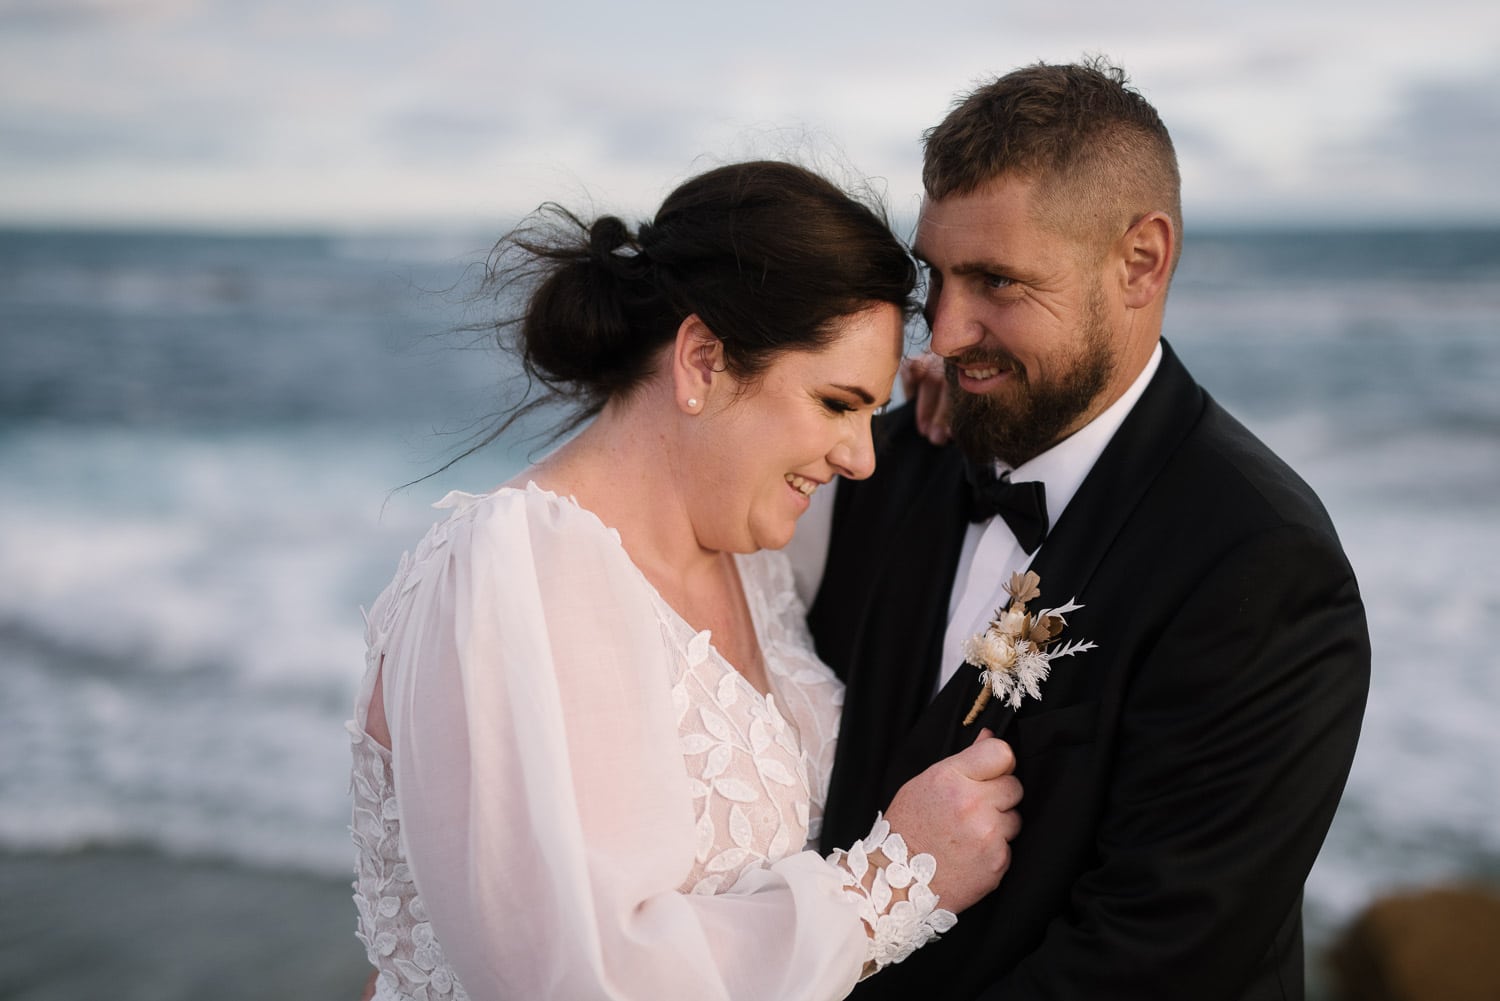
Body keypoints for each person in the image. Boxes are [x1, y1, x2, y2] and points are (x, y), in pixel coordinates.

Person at [347, 161, 1024, 1001]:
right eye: (837, 403)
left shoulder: (755, 547)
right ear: (703, 360)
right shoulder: (507, 571)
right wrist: (894, 882)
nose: (860, 456)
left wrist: (948, 400)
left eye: (869, 408)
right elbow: (574, 977)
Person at [803, 60, 1371, 1000]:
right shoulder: (888, 458)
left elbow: (1152, 963)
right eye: (936, 276)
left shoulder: (1264, 566)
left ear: (1141, 260)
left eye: (996, 282)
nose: (942, 333)